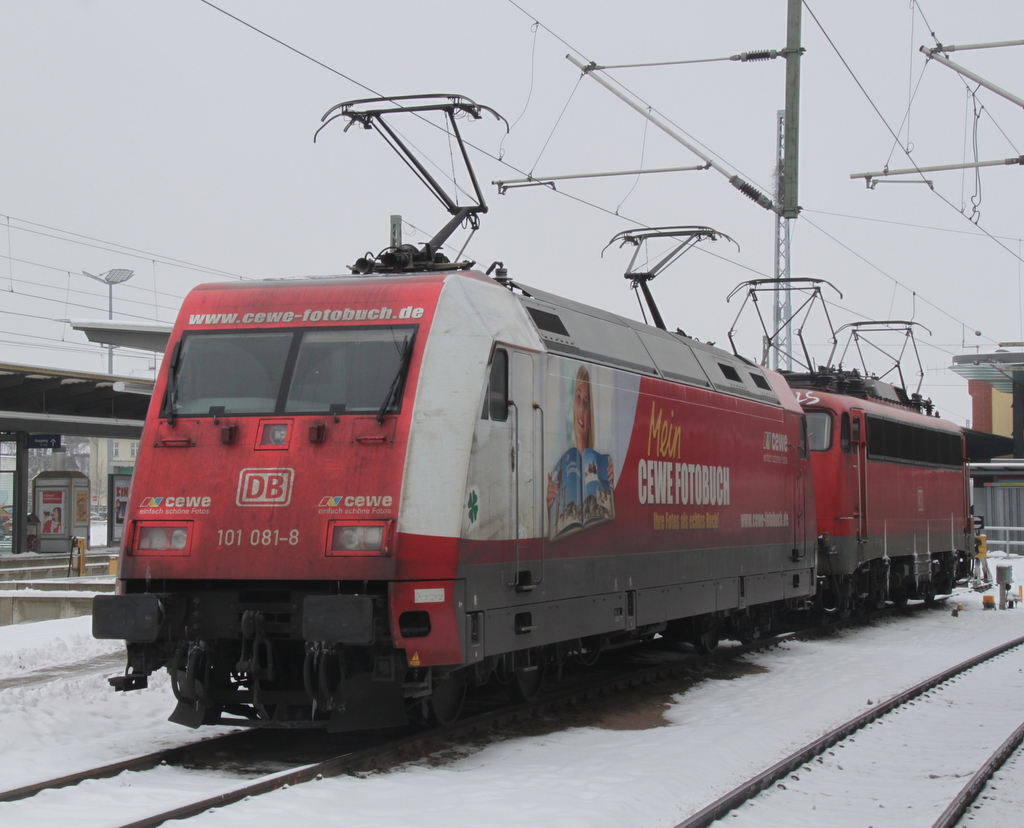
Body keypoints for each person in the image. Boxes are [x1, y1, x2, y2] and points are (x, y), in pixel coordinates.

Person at [546, 365, 616, 539]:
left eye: (586, 402)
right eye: (578, 398)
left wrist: (613, 493)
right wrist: (550, 507)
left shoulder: (603, 464)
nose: (582, 410)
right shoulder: (558, 463)